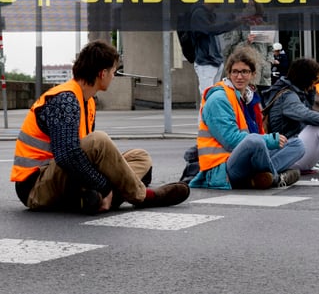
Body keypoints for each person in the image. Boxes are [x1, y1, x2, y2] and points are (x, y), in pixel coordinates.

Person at [12, 40, 190, 213]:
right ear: (102, 74)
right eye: (113, 71)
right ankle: (141, 196)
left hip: (65, 179)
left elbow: (81, 157)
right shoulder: (65, 99)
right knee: (99, 140)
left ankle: (92, 199)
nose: (114, 76)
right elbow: (66, 155)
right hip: (36, 187)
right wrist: (104, 186)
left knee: (140, 157)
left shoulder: (88, 101)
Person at [189, 46, 305, 190]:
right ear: (229, 73)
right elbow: (231, 140)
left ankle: (259, 178)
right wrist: (269, 140)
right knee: (255, 141)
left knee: (297, 144)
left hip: (246, 158)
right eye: (235, 72)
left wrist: (268, 141)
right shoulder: (218, 99)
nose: (239, 76)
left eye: (244, 71)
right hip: (223, 167)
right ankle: (275, 178)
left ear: (252, 74)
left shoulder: (250, 98)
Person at [190, 3, 247, 100]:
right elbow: (212, 30)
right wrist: (234, 23)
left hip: (215, 60)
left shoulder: (210, 14)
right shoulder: (199, 14)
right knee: (207, 96)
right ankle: (207, 115)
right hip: (206, 60)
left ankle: (213, 114)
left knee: (214, 96)